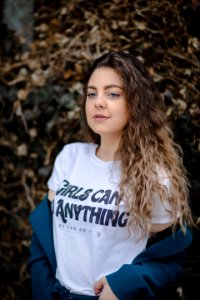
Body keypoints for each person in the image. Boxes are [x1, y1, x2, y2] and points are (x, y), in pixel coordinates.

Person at [28, 51, 193, 300]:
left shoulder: (155, 177)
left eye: (112, 94)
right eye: (92, 93)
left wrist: (125, 284)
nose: (98, 102)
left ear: (136, 103)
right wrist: (43, 290)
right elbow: (43, 236)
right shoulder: (69, 157)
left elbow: (171, 257)